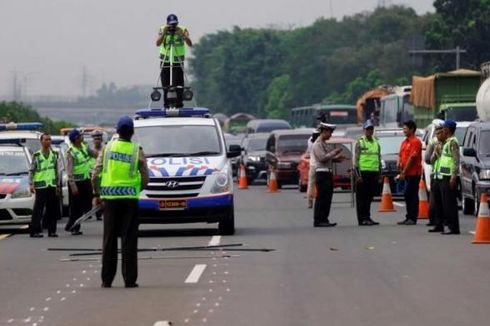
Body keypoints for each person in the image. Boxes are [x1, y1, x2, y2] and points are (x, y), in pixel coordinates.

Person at [92, 116, 149, 288]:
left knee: (109, 239)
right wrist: (137, 188)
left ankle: (106, 280)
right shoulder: (136, 150)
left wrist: (97, 193)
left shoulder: (107, 148)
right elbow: (145, 176)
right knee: (129, 239)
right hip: (130, 200)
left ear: (116, 131)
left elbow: (95, 173)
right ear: (132, 132)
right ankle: (129, 280)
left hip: (109, 200)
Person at [312, 122, 347, 227]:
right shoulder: (317, 144)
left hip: (328, 173)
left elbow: (328, 159)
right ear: (324, 132)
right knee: (322, 197)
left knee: (328, 197)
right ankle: (318, 220)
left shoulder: (324, 143)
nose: (330, 135)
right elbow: (322, 158)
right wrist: (334, 153)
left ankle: (325, 219)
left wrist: (337, 159)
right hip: (322, 173)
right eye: (329, 133)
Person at [64, 129, 98, 235]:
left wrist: (103, 154)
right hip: (76, 183)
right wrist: (73, 186)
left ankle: (73, 224)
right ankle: (73, 226)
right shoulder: (71, 152)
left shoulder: (84, 147)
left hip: (85, 180)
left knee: (87, 203)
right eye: (79, 137)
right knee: (75, 207)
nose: (81, 138)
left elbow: (94, 154)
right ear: (75, 139)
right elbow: (69, 171)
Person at [156, 14, 192, 108]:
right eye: (171, 25)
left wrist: (182, 35)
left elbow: (190, 43)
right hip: (166, 60)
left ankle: (179, 103)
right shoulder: (163, 29)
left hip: (177, 60)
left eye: (174, 25)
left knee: (178, 84)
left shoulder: (183, 30)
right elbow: (157, 43)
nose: (173, 27)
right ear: (167, 24)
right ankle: (166, 104)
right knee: (165, 85)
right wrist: (164, 33)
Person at [29, 133, 61, 237]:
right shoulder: (37, 155)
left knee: (52, 208)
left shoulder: (54, 155)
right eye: (46, 140)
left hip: (51, 185)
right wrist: (31, 184)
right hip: (40, 186)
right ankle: (35, 230)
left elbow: (57, 170)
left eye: (49, 139)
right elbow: (31, 171)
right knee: (38, 209)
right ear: (41, 141)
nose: (48, 141)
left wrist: (58, 185)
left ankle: (52, 231)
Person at [431, 120, 461, 234]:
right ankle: (446, 225)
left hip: (449, 177)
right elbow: (438, 159)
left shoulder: (453, 142)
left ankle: (453, 227)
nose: (443, 130)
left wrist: (454, 176)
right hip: (443, 175)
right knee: (444, 202)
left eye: (444, 128)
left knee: (450, 204)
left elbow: (456, 160)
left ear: (448, 129)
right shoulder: (446, 142)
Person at [355, 120, 381, 226]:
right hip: (363, 173)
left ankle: (368, 217)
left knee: (369, 197)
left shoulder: (376, 142)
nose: (370, 131)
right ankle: (362, 219)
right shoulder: (360, 142)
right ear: (364, 130)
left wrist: (380, 174)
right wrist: (358, 175)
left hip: (373, 174)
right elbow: (356, 160)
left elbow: (379, 158)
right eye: (368, 129)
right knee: (362, 198)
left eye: (371, 129)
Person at [396, 120, 423, 225]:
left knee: (411, 194)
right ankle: (409, 217)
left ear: (412, 129)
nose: (404, 130)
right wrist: (398, 164)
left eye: (406, 128)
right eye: (403, 128)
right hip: (406, 173)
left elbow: (412, 158)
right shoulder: (405, 142)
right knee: (407, 195)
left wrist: (404, 172)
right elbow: (400, 155)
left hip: (413, 173)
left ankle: (413, 217)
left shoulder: (415, 142)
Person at [424, 119, 444, 228]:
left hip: (438, 174)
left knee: (435, 199)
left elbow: (427, 159)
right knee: (442, 199)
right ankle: (440, 222)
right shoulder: (449, 140)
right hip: (442, 175)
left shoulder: (434, 141)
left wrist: (433, 157)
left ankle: (436, 221)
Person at [306, 130, 320, 208]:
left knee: (311, 184)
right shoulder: (318, 142)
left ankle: (309, 201)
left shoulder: (309, 141)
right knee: (320, 184)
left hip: (312, 165)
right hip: (320, 165)